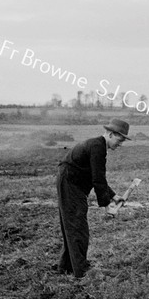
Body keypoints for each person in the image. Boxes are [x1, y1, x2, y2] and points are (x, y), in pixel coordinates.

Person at [55, 119, 131, 278]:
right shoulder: (98, 147)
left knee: (72, 225)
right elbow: (98, 178)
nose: (120, 144)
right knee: (77, 226)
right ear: (111, 134)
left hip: (70, 182)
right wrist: (106, 205)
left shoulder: (98, 145)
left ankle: (66, 266)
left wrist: (113, 196)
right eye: (120, 139)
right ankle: (81, 271)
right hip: (70, 183)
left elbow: (94, 176)